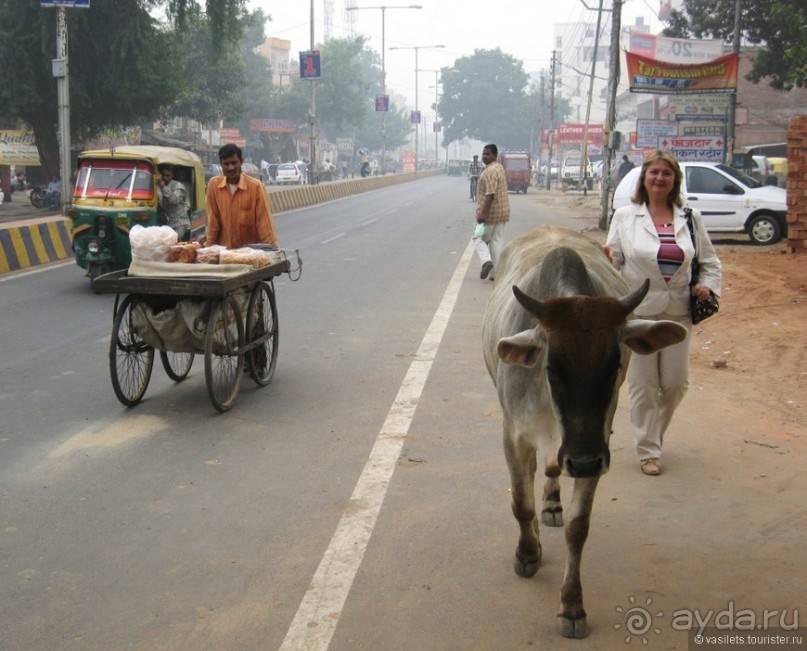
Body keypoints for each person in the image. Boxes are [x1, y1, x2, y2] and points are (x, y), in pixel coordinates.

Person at [604, 149, 722, 476]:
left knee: (675, 383)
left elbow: (710, 262)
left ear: (674, 181)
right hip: (638, 313)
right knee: (642, 385)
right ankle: (648, 451)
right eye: (654, 172)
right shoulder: (626, 216)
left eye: (666, 173)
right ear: (644, 178)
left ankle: (653, 434)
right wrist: (606, 258)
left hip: (677, 312)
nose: (659, 178)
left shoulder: (689, 218)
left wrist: (707, 287)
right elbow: (615, 264)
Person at [205, 143, 278, 249]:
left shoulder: (255, 187)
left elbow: (264, 223)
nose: (231, 168)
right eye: (226, 164)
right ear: (221, 164)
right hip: (225, 255)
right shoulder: (214, 185)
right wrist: (209, 251)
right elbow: (213, 222)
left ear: (241, 162)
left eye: (234, 163)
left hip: (251, 256)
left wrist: (272, 250)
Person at [473, 144, 510, 281]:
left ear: (495, 155)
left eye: (488, 154)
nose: (484, 156)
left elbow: (490, 194)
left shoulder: (489, 172)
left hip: (489, 214)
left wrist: (483, 214)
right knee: (496, 242)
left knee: (477, 237)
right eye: (483, 153)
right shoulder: (499, 167)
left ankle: (486, 261)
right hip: (502, 213)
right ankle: (496, 274)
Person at [157, 164, 190, 240]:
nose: (165, 178)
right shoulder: (159, 186)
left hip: (180, 223)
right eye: (164, 175)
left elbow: (173, 200)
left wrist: (163, 186)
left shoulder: (178, 186)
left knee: (175, 243)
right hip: (169, 223)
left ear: (172, 176)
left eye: (168, 176)